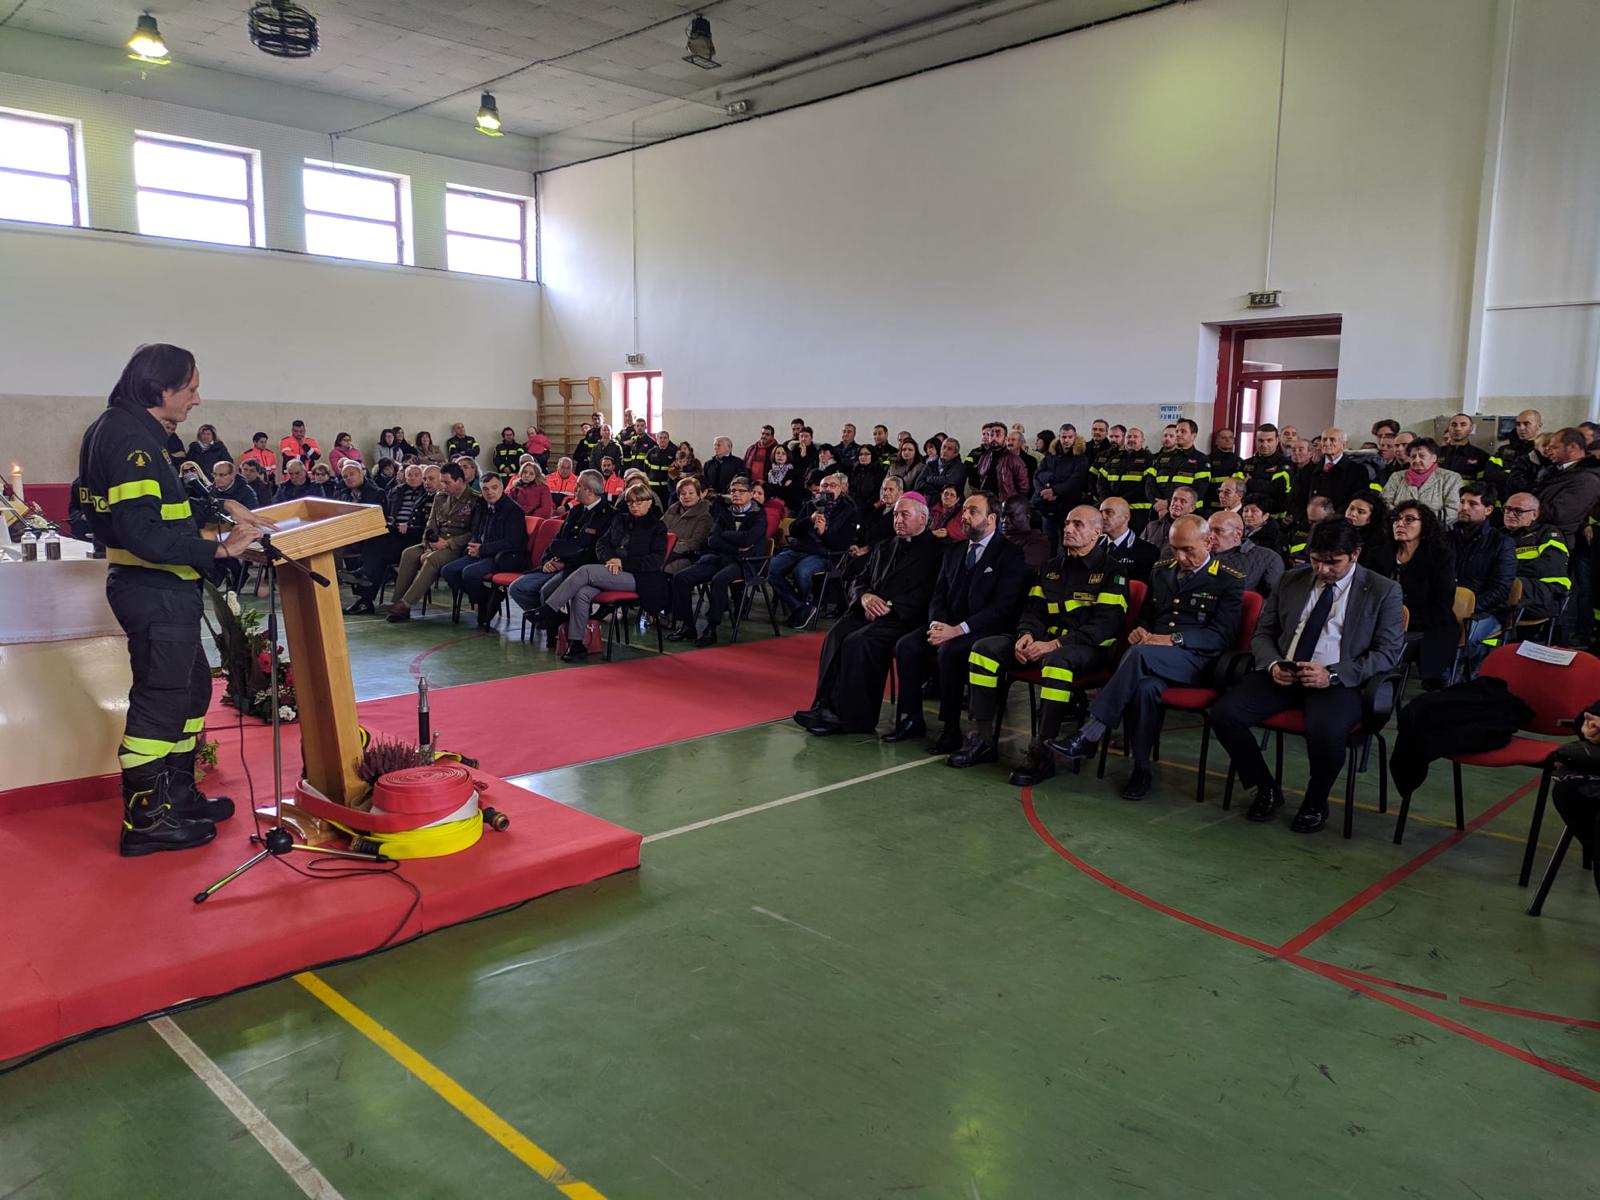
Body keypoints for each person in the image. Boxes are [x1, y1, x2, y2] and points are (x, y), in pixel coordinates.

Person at [77, 343, 267, 854]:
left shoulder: (136, 429)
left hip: (163, 587)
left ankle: (176, 794)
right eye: (191, 387)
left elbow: (166, 504)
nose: (197, 399)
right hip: (152, 586)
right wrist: (222, 548)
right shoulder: (129, 438)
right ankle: (144, 821)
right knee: (160, 702)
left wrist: (218, 503)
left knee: (189, 692)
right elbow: (145, 534)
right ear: (162, 389)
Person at [1210, 518, 1404, 833]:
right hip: (1285, 672)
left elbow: (1387, 653)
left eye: (1333, 563)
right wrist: (1273, 664)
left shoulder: (1383, 590)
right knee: (1224, 714)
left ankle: (1316, 800)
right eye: (1316, 560)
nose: (1323, 570)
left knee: (1327, 733)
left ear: (1355, 554)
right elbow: (1263, 634)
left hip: (1338, 681)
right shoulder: (1290, 580)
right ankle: (1265, 786)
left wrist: (1334, 675)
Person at [1047, 515, 1245, 800]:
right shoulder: (1162, 571)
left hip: (1197, 662)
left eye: (1188, 550)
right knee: (1144, 688)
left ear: (1209, 542)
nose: (1180, 556)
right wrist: (1141, 630)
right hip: (1152, 655)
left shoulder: (1228, 580)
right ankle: (1142, 769)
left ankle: (1090, 732)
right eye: (1175, 548)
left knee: (1139, 656)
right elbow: (1149, 617)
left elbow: (1221, 636)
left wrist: (1173, 639)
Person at [947, 503, 1122, 782]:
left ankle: (1043, 752)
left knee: (1056, 664)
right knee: (983, 650)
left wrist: (1055, 644)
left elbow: (1104, 626)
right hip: (1041, 641)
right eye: (1066, 523)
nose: (1068, 529)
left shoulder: (1112, 571)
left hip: (1084, 649)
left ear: (1097, 534)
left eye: (1078, 525)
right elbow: (1033, 609)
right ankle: (982, 740)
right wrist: (1025, 635)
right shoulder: (1052, 567)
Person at [882, 493, 1028, 752]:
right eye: (964, 511)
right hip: (948, 626)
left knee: (950, 652)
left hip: (984, 630)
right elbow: (938, 594)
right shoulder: (955, 551)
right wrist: (937, 624)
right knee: (907, 645)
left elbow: (1002, 608)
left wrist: (958, 630)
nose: (965, 516)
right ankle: (912, 717)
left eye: (973, 511)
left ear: (991, 518)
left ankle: (951, 729)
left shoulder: (1010, 555)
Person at [793, 496, 944, 735]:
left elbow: (931, 592)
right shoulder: (885, 546)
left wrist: (888, 606)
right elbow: (859, 579)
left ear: (923, 518)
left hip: (903, 617)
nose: (898, 520)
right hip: (869, 610)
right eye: (895, 514)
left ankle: (852, 718)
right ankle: (824, 706)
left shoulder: (937, 551)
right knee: (835, 634)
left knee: (858, 642)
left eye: (905, 515)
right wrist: (864, 597)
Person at [534, 485, 668, 662]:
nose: (634, 506)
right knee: (581, 593)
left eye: (639, 502)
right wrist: (610, 559)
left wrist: (622, 562)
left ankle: (548, 609)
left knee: (586, 570)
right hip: (611, 570)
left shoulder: (658, 527)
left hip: (640, 578)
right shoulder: (620, 519)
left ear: (649, 502)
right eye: (630, 502)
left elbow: (655, 561)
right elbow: (601, 544)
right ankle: (577, 645)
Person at [508, 470, 611, 645]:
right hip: (557, 564)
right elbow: (557, 540)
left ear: (589, 491)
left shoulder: (609, 516)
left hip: (578, 570)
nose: (574, 488)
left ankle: (552, 631)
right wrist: (549, 560)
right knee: (518, 588)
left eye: (578, 486)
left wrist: (564, 564)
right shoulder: (576, 511)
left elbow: (596, 553)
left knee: (547, 591)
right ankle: (555, 621)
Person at [666, 476, 770, 645]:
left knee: (719, 579)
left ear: (751, 494)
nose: (736, 494)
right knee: (681, 578)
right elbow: (712, 540)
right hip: (721, 557)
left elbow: (748, 539)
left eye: (741, 491)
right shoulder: (725, 513)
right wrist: (734, 546)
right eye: (733, 490)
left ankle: (711, 628)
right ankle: (686, 625)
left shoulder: (759, 515)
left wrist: (725, 536)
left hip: (746, 562)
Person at [384, 463, 481, 622]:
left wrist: (448, 544)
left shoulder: (475, 500)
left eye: (447, 482)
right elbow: (431, 525)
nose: (443, 486)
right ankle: (397, 601)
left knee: (433, 559)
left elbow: (474, 532)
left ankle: (405, 604)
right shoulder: (440, 497)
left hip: (457, 546)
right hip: (436, 541)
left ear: (460, 481)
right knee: (408, 553)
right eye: (442, 482)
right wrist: (429, 543)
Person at [768, 472, 858, 628]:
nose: (828, 488)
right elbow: (793, 529)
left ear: (841, 489)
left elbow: (843, 544)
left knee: (802, 571)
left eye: (832, 485)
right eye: (824, 485)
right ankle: (801, 607)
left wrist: (824, 533)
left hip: (826, 554)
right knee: (770, 568)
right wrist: (809, 520)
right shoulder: (811, 505)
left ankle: (805, 605)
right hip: (800, 548)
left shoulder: (849, 511)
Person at [441, 474, 528, 627]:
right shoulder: (481, 506)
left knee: (470, 573)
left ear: (502, 487)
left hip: (503, 556)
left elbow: (512, 542)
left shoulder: (514, 511)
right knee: (448, 570)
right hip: (480, 551)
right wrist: (474, 545)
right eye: (485, 489)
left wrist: (482, 549)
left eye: (494, 488)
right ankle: (488, 597)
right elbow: (476, 531)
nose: (490, 492)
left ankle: (486, 603)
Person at [1389, 499, 1457, 687]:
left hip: (1428, 624)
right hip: (1385, 623)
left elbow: (1442, 603)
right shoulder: (1380, 553)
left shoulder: (1439, 557)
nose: (1400, 523)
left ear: (1424, 526)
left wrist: (1405, 622)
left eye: (1409, 519)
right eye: (1396, 519)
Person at [347, 464, 430, 614]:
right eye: (409, 475)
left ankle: (364, 591)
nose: (412, 478)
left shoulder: (427, 494)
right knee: (375, 541)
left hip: (414, 537)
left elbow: (428, 524)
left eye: (417, 475)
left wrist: (410, 527)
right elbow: (388, 511)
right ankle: (365, 594)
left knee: (378, 555)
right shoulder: (397, 491)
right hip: (395, 532)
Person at [1452, 483, 1515, 676]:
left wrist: (1468, 608)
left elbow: (1501, 590)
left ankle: (1467, 677)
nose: (1464, 508)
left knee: (1458, 637)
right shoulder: (1447, 537)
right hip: (1446, 607)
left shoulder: (1502, 543)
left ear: (1488, 510)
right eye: (1462, 502)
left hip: (1484, 611)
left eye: (1472, 504)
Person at [1501, 492, 1570, 627]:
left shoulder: (1549, 533)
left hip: (1547, 593)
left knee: (1498, 589)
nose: (1509, 514)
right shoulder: (1498, 535)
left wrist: (1505, 570)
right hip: (1511, 589)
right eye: (1507, 509)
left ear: (1534, 515)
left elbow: (1550, 565)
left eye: (1518, 511)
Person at [1381, 437, 1462, 526]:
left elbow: (1454, 509)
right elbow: (1384, 502)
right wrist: (1404, 520)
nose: (1416, 460)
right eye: (1413, 456)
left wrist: (1420, 523)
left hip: (1437, 532)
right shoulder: (1397, 477)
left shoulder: (1451, 478)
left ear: (1434, 458)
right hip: (1401, 529)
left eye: (1422, 456)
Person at [1032, 424, 1089, 540]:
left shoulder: (1080, 458)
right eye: (1064, 437)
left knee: (1069, 540)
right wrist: (1042, 492)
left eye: (1069, 437)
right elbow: (1037, 475)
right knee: (1048, 540)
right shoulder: (1050, 455)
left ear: (1075, 437)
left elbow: (1075, 481)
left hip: (1068, 506)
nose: (1066, 440)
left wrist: (1054, 491)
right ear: (1059, 437)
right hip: (1047, 505)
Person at [1208, 510, 1283, 596]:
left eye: (1218, 530)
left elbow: (1274, 599)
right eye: (1209, 530)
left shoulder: (1268, 558)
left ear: (1238, 534)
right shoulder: (1197, 553)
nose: (1211, 536)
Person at [1094, 426, 1154, 531]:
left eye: (1135, 437)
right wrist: (1109, 500)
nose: (1131, 439)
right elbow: (1101, 483)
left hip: (1137, 512)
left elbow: (1145, 486)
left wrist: (1120, 501)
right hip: (1112, 511)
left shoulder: (1149, 460)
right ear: (1124, 439)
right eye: (1128, 436)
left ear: (1142, 440)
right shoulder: (1113, 459)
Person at [1147, 418, 1210, 519]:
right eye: (1177, 431)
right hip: (1159, 511)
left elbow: (1199, 489)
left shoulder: (1201, 459)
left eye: (1183, 431)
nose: (1179, 434)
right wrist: (1158, 504)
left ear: (1193, 436)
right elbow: (1150, 484)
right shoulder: (1162, 458)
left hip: (1187, 514)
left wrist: (1168, 503)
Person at [1306, 428, 1370, 516]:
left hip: (1340, 523)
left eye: (1332, 440)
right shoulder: (1309, 469)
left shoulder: (1358, 471)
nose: (1327, 443)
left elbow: (1357, 500)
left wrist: (1335, 519)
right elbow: (1297, 498)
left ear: (1343, 445)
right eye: (1324, 439)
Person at [1098, 495, 1158, 584]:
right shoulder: (1092, 545)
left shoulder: (1148, 550)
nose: (1102, 517)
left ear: (1126, 517)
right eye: (1101, 513)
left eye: (1109, 512)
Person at [662, 476, 714, 574]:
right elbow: (659, 530)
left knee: (660, 568)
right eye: (683, 493)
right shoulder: (672, 510)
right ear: (678, 496)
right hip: (662, 550)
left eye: (691, 493)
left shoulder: (705, 516)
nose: (686, 496)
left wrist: (670, 547)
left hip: (687, 556)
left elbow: (696, 543)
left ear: (699, 495)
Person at [1488, 409, 1545, 497]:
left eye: (1526, 424)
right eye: (1518, 424)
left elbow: (1539, 480)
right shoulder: (1504, 450)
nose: (1521, 428)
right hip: (1501, 501)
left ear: (1539, 425)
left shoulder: (1543, 450)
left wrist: (1509, 477)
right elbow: (1490, 474)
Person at [1140, 484, 1199, 555]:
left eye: (1182, 501)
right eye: (1174, 499)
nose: (1176, 504)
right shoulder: (1151, 527)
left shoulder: (1195, 532)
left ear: (1192, 508)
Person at [1343, 494, 1394, 576]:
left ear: (1370, 519)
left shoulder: (1378, 542)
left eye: (1360, 512)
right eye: (1351, 508)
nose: (1352, 514)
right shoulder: (1335, 528)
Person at [1000, 495, 1052, 571]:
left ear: (1027, 516)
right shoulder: (999, 539)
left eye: (1011, 516)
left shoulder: (1039, 542)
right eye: (1003, 516)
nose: (1005, 520)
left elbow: (1015, 569)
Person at [1438, 413, 1489, 482]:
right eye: (1454, 425)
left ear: (1471, 429)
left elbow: (1484, 483)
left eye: (1463, 425)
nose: (1457, 428)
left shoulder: (1482, 457)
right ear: (1449, 428)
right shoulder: (1435, 453)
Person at [848, 444, 886, 510]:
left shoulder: (879, 472)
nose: (863, 457)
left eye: (867, 454)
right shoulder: (855, 471)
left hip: (871, 507)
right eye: (861, 454)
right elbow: (851, 489)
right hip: (854, 505)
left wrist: (868, 505)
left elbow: (878, 491)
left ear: (873, 455)